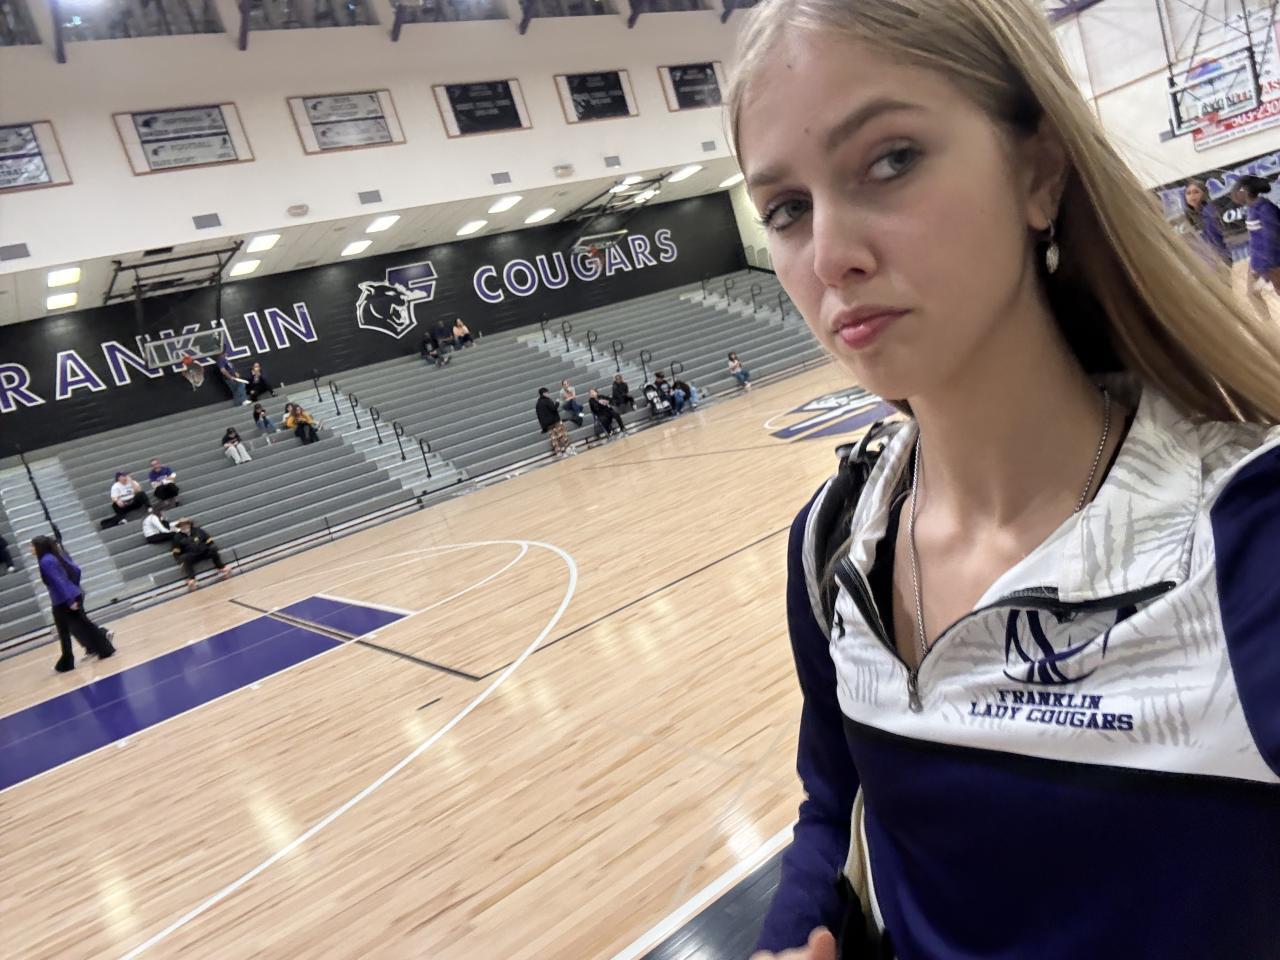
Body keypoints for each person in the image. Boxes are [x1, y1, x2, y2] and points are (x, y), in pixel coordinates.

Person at [732, 2, 1280, 958]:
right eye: (786, 209)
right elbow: (836, 803)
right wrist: (797, 929)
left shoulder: (1249, 545)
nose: (829, 256)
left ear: (1039, 170)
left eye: (890, 160)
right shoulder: (832, 545)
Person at [32, 535, 114, 672]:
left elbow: (58, 582)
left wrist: (70, 600)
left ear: (39, 547)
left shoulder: (45, 561)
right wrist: (74, 587)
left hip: (63, 600)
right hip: (71, 595)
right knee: (81, 624)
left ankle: (69, 661)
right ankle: (103, 647)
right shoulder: (55, 555)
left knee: (67, 631)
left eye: (32, 546)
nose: (31, 549)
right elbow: (76, 570)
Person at [170, 517, 232, 590]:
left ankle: (221, 567)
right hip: (192, 556)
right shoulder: (177, 537)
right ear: (180, 527)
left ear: (189, 524)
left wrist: (212, 546)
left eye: (186, 524)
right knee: (185, 558)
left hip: (204, 552)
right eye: (182, 525)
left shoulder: (198, 531)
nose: (184, 526)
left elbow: (209, 541)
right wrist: (180, 560)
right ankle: (191, 579)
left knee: (213, 549)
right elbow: (176, 552)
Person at [1183, 179, 1230, 266]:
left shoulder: (1210, 212)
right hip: (1212, 259)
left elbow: (1218, 240)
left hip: (1225, 256)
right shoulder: (1190, 215)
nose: (1192, 196)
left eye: (1196, 192)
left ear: (1204, 194)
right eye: (1188, 193)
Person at [536, 387, 574, 457]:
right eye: (547, 393)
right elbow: (553, 408)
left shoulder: (538, 404)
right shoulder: (547, 400)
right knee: (562, 435)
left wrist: (544, 426)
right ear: (544, 393)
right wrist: (557, 402)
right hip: (555, 421)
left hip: (548, 425)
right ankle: (567, 448)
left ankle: (558, 452)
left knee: (554, 438)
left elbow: (539, 416)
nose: (548, 394)